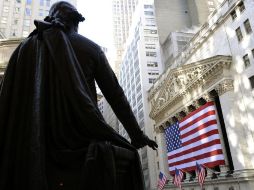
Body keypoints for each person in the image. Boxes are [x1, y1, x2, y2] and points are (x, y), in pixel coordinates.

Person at [0, 1, 157, 190]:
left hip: (34, 141)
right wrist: (137, 136)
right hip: (84, 137)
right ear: (76, 22)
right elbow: (115, 95)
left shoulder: (24, 49)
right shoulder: (91, 48)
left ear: (51, 18)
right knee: (129, 157)